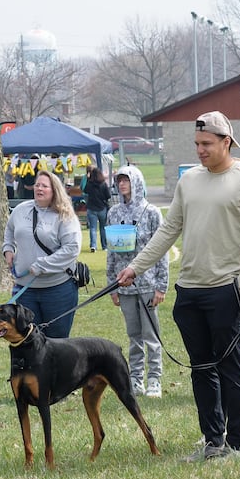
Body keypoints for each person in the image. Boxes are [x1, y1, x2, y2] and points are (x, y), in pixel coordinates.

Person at [117, 112, 240, 462]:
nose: (200, 150)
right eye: (196, 144)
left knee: (232, 369)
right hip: (189, 289)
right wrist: (134, 267)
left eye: (206, 144)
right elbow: (168, 230)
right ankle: (212, 440)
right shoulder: (189, 181)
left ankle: (237, 442)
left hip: (228, 289)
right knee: (201, 369)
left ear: (226, 142)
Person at [104, 165, 168, 397]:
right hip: (124, 285)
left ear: (137, 183)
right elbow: (110, 251)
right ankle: (136, 378)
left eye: (126, 180)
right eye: (119, 180)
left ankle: (154, 379)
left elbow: (162, 251)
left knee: (151, 335)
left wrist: (161, 285)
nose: (122, 184)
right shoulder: (113, 213)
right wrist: (112, 284)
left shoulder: (151, 212)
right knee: (134, 335)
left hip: (148, 284)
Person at [4, 171, 85, 339]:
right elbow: (9, 230)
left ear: (54, 190)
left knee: (56, 342)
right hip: (25, 290)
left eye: (44, 186)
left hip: (58, 289)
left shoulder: (65, 215)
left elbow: (72, 248)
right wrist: (8, 249)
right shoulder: (20, 210)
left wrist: (42, 265)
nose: (39, 188)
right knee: (29, 340)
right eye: (37, 185)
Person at [81, 166, 111, 253]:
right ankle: (104, 246)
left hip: (91, 208)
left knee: (93, 228)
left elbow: (84, 190)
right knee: (103, 227)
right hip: (102, 208)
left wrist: (87, 178)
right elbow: (108, 196)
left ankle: (93, 245)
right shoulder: (103, 184)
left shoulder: (89, 184)